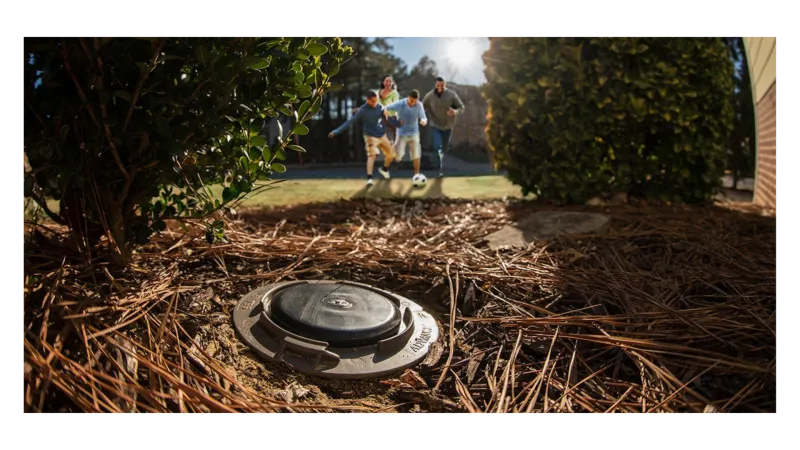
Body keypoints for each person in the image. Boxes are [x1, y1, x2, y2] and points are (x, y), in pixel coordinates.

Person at [329, 91, 396, 185]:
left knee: (391, 155)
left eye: (376, 101)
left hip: (381, 134)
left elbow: (386, 112)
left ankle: (384, 169)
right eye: (372, 101)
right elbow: (350, 121)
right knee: (372, 155)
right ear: (367, 100)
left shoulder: (380, 106)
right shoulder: (362, 111)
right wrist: (336, 131)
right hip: (370, 136)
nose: (374, 103)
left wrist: (386, 112)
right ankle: (369, 179)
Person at [422, 77, 465, 178]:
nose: (440, 87)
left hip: (448, 126)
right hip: (435, 125)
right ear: (435, 85)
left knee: (444, 148)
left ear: (445, 85)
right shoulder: (429, 96)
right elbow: (422, 107)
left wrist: (455, 111)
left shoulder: (452, 94)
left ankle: (442, 155)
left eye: (442, 85)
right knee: (438, 147)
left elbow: (461, 107)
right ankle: (439, 170)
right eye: (438, 85)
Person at [383, 89, 428, 177]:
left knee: (416, 154)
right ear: (408, 97)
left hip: (414, 133)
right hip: (401, 133)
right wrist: (385, 110)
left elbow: (424, 117)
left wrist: (423, 121)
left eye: (415, 101)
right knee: (398, 157)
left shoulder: (419, 105)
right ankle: (385, 168)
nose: (412, 103)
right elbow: (386, 108)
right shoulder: (400, 104)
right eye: (411, 101)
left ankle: (416, 175)